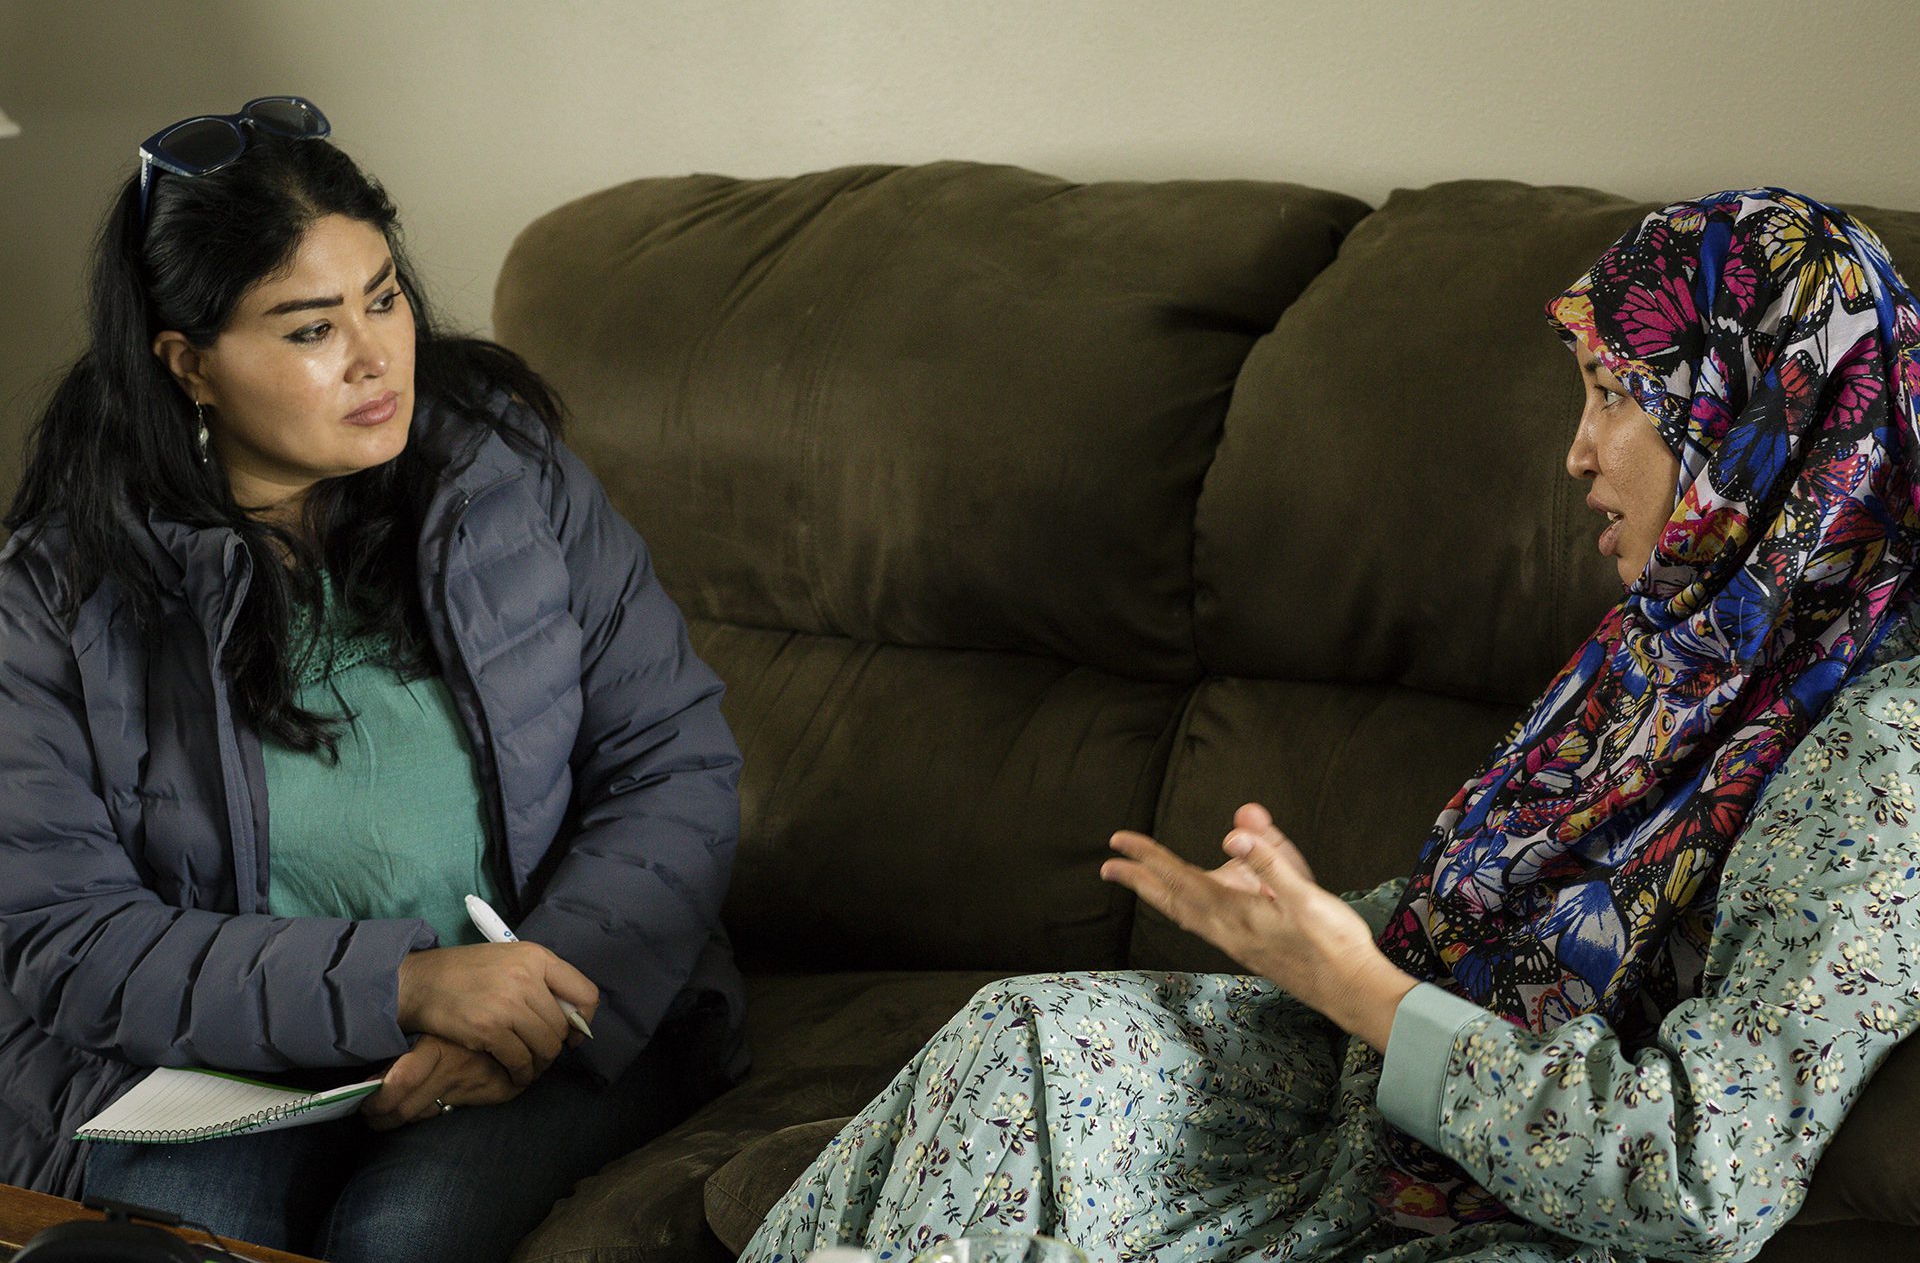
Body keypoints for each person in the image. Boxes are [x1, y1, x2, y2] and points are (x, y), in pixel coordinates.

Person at [739, 188, 1920, 1263]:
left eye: (1615, 392)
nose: (1574, 451)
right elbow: (1506, 915)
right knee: (1027, 1034)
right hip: (1365, 1103)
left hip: (1538, 1208)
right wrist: (1304, 929)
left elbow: (1711, 1175)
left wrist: (1362, 986)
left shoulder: (1881, 757)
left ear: (1763, 416)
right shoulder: (1676, 642)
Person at [0, 97, 746, 1263]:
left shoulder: (506, 472)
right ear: (188, 363)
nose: (375, 355)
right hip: (221, 1064)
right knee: (190, 1241)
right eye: (308, 329)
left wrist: (525, 1009)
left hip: (555, 1006)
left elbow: (673, 762)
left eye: (383, 297)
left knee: (403, 1234)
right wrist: (399, 986)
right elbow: (63, 934)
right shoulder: (54, 593)